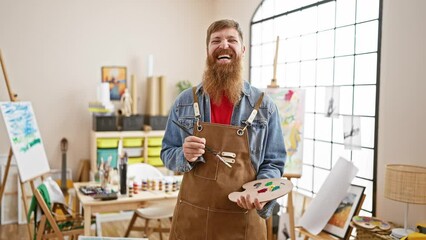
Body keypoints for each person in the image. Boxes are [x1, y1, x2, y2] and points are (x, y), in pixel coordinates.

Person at [161, 19, 286, 239]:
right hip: (193, 221)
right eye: (216, 41)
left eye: (231, 40)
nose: (224, 45)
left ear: (242, 50)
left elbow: (273, 162)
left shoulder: (265, 107)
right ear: (208, 50)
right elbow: (167, 153)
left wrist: (261, 193)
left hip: (244, 220)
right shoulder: (184, 102)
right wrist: (183, 155)